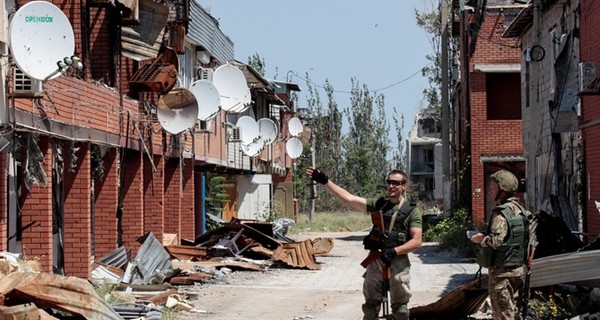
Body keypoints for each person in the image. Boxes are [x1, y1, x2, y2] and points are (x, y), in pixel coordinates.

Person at [306, 167, 422, 320]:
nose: (391, 186)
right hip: (376, 260)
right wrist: (326, 182)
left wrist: (394, 251)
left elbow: (416, 241)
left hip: (398, 261)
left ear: (404, 186)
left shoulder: (411, 211)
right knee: (369, 308)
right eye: (389, 182)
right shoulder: (380, 204)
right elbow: (349, 198)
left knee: (400, 311)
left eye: (396, 183)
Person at [470, 169, 530, 320]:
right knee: (514, 312)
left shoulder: (501, 213)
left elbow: (496, 241)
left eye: (494, 186)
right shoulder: (521, 210)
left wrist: (481, 240)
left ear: (503, 189)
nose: (490, 189)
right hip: (518, 270)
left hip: (501, 274)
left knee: (503, 314)